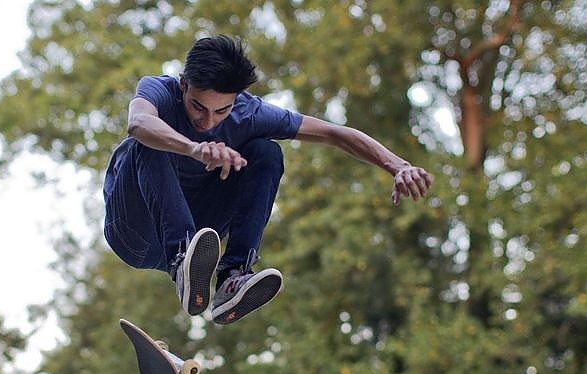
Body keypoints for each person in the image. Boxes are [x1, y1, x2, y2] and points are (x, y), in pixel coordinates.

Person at [103, 35, 433, 325]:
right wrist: (194, 149)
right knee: (146, 143)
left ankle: (232, 278)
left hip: (200, 229)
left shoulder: (251, 113)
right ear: (182, 84)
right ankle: (183, 259)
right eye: (198, 108)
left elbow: (335, 133)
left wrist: (398, 165)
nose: (208, 121)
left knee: (266, 153)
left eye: (222, 111)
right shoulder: (158, 90)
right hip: (136, 230)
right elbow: (139, 122)